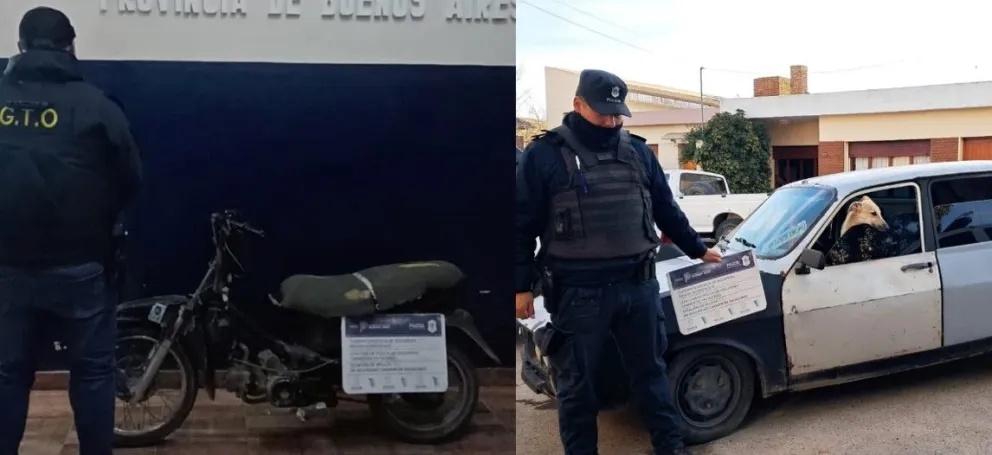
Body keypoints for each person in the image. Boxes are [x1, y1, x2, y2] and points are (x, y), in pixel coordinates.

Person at [515, 69, 721, 455]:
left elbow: (665, 208)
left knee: (652, 377)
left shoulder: (638, 152)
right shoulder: (544, 155)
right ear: (578, 105)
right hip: (579, 295)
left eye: (617, 114)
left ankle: (671, 448)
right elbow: (521, 225)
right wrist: (520, 285)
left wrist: (697, 248)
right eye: (603, 113)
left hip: (639, 287)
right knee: (578, 389)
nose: (611, 121)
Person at [0, 7, 142, 455]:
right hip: (82, 268)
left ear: (19, 47)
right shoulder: (97, 106)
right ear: (71, 46)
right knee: (94, 374)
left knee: (6, 374)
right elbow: (131, 180)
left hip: (6, 267)